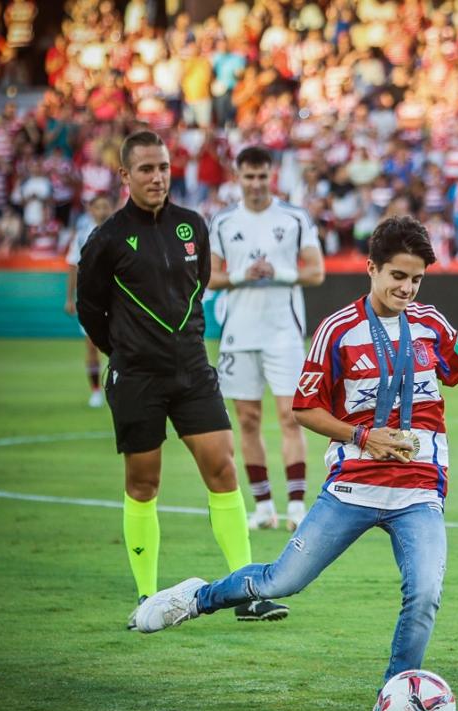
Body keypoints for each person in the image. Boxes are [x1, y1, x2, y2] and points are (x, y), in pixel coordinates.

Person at [134, 215, 458, 686]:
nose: (408, 288)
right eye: (398, 276)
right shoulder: (337, 330)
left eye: (416, 279)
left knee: (425, 592)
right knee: (281, 581)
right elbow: (305, 409)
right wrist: (361, 436)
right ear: (372, 268)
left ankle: (398, 695)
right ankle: (196, 597)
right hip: (353, 487)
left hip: (419, 490)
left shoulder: (431, 324)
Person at [75, 130, 275, 627]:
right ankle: (147, 596)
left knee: (223, 469)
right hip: (137, 377)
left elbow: (200, 282)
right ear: (124, 175)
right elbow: (89, 310)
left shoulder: (192, 226)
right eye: (145, 169)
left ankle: (246, 589)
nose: (157, 177)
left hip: (192, 371)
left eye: (163, 167)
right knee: (144, 483)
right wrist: (123, 353)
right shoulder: (106, 240)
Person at [208, 146, 326, 534]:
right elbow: (209, 277)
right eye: (249, 177)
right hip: (239, 333)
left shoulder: (293, 218)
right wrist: (243, 274)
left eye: (262, 176)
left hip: (283, 332)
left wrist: (279, 270)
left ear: (271, 176)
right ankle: (262, 507)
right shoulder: (223, 221)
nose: (256, 184)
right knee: (248, 419)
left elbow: (316, 272)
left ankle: (295, 505)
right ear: (237, 177)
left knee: (293, 416)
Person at [65, 192, 113, 408]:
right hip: (90, 300)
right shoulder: (82, 235)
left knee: (122, 344)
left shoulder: (121, 232)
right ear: (91, 210)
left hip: (116, 300)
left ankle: (118, 386)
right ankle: (95, 391)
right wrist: (69, 298)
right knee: (91, 346)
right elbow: (73, 267)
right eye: (98, 207)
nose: (102, 210)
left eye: (105, 206)